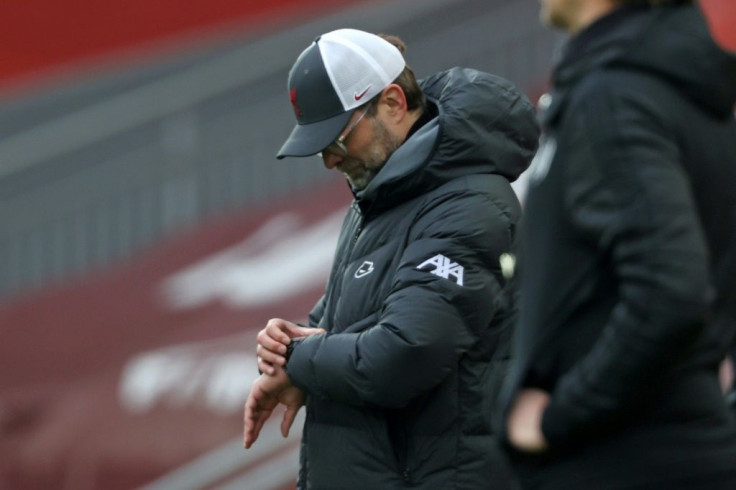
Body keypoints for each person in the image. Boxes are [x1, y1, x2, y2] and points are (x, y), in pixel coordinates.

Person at [242, 29, 539, 489]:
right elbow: (339, 324)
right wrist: (283, 348)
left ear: (394, 103)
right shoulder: (381, 198)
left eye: (336, 141)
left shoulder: (468, 204)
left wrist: (300, 359)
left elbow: (402, 354)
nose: (328, 162)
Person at [499, 0, 736, 489]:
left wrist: (558, 416)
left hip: (627, 458)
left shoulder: (611, 96)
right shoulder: (664, 84)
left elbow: (672, 289)